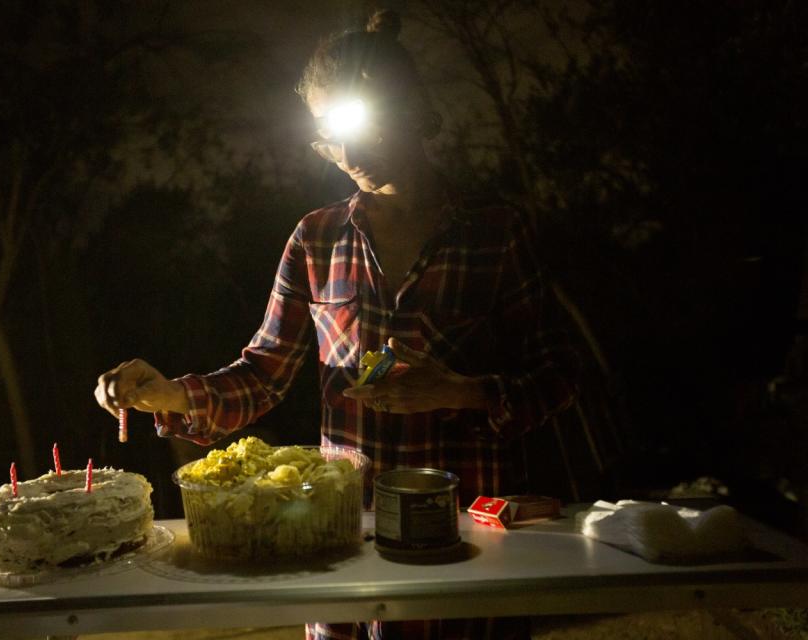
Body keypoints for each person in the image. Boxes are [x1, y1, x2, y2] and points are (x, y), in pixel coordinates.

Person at [96, 9, 580, 640]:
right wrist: (174, 394)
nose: (346, 153)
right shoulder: (316, 239)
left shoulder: (496, 233)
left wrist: (463, 391)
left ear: (408, 107)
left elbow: (558, 374)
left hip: (461, 550)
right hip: (342, 543)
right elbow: (264, 372)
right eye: (327, 135)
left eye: (360, 126)